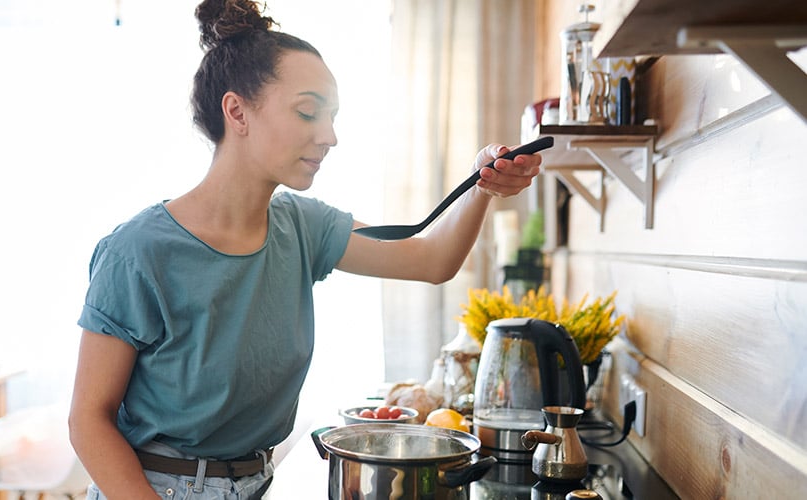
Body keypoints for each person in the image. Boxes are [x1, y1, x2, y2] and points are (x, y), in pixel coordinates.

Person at [68, 0, 543, 498]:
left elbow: (431, 260)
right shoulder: (137, 252)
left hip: (257, 482)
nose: (330, 135)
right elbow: (88, 420)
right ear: (237, 112)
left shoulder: (301, 225)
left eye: (332, 116)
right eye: (307, 112)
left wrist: (483, 184)